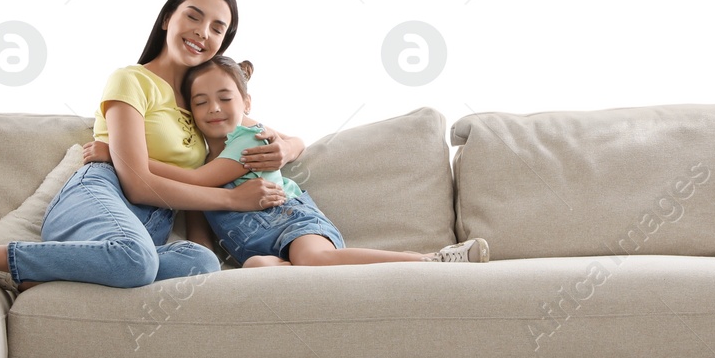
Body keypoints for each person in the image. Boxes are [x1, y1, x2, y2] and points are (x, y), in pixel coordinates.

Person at [0, 0, 307, 288]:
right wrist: (232, 199)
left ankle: (77, 266)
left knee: (200, 264)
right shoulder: (132, 80)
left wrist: (285, 150)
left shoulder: (206, 108)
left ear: (223, 42)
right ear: (169, 18)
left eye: (218, 28)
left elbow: (286, 138)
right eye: (194, 16)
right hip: (101, 194)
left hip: (150, 227)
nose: (203, 32)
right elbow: (137, 182)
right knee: (135, 259)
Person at [123, 55, 489, 267]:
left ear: (246, 103)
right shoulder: (198, 159)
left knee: (313, 259)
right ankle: (289, 266)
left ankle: (429, 261)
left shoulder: (250, 141)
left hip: (292, 222)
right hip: (255, 249)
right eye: (201, 102)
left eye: (225, 98)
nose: (213, 108)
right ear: (188, 109)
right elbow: (197, 211)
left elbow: (200, 182)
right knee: (255, 267)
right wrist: (205, 261)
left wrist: (126, 156)